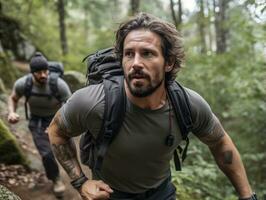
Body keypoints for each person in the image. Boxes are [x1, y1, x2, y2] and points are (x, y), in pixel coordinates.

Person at [48, 13, 257, 200]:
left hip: (162, 192)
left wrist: (247, 196)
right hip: (111, 194)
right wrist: (81, 182)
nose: (135, 63)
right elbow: (56, 130)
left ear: (169, 63)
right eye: (129, 54)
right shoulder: (93, 102)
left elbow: (220, 142)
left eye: (147, 53)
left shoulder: (188, 104)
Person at [7, 52, 71, 196]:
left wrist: (58, 124)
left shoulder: (58, 84)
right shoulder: (23, 83)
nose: (43, 75)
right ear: (32, 73)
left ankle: (76, 177)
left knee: (65, 149)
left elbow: (70, 105)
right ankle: (56, 179)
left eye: (45, 71)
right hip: (37, 121)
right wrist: (11, 112)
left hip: (57, 118)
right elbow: (13, 98)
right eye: (38, 72)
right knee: (47, 153)